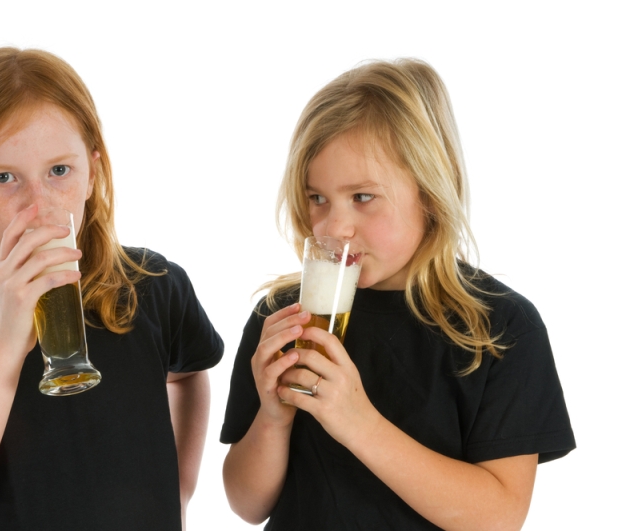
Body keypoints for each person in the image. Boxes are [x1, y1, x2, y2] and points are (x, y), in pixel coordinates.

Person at [0, 47, 223, 531]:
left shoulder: (152, 283)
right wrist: (6, 337)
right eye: (4, 178)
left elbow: (188, 372)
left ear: (92, 171)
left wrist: (180, 489)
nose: (39, 205)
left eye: (59, 171)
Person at [221, 59, 575, 530]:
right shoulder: (284, 316)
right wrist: (273, 416)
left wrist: (356, 421)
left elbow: (498, 517)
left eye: (362, 197)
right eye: (316, 198)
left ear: (430, 191)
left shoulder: (501, 328)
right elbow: (247, 504)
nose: (333, 227)